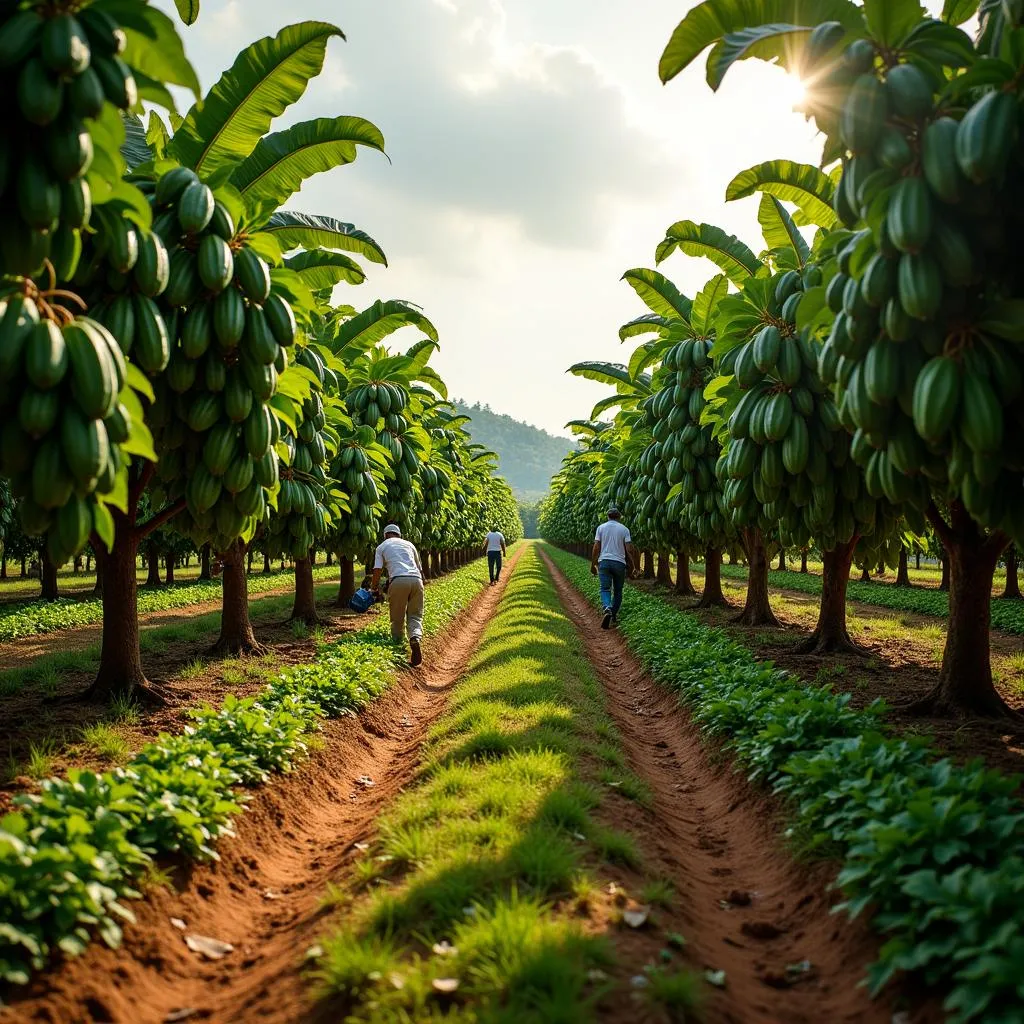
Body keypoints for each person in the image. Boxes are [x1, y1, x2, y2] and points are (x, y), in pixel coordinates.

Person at [369, 524, 425, 666]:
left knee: (397, 617)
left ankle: (398, 647)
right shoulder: (409, 545)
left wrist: (373, 588)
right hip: (417, 580)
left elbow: (377, 569)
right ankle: (415, 637)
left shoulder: (382, 547)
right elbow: (419, 567)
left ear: (385, 535)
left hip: (398, 580)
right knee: (415, 615)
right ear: (399, 535)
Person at [591, 507, 637, 630]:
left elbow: (596, 547)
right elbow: (629, 549)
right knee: (618, 590)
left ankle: (607, 608)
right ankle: (613, 613)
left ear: (608, 516)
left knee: (605, 588)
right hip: (619, 563)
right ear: (619, 517)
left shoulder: (601, 528)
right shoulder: (624, 529)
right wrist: (633, 566)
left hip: (604, 562)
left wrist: (593, 564)